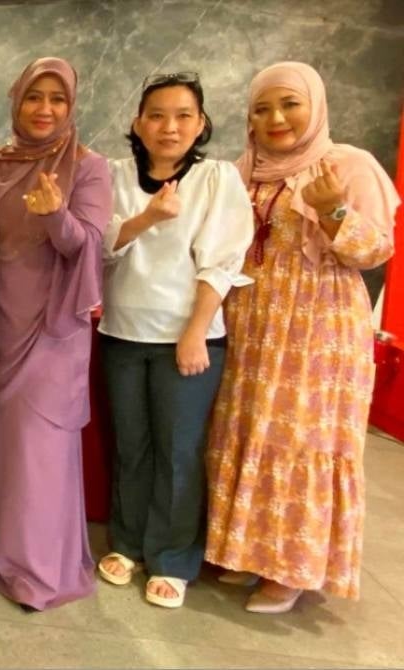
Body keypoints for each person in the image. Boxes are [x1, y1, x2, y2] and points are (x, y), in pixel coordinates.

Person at [205, 61, 399, 613]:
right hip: (250, 321)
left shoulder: (346, 165)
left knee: (299, 440)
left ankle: (291, 567)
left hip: (317, 328)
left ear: (315, 105)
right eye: (262, 108)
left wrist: (332, 209)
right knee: (247, 430)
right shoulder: (245, 169)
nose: (276, 118)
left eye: (290, 104)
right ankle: (245, 551)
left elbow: (374, 252)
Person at [97, 72, 253, 608]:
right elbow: (100, 249)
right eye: (157, 115)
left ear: (201, 123)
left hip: (188, 339)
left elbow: (223, 261)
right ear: (138, 123)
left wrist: (194, 334)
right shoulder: (113, 174)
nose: (169, 126)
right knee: (131, 447)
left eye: (183, 115)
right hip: (121, 332)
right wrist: (146, 217)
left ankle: (172, 558)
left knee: (179, 451)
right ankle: (128, 544)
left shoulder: (217, 178)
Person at [0, 57, 111, 612]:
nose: (45, 109)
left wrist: (56, 216)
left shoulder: (88, 166)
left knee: (38, 451)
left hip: (51, 330)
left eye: (57, 98)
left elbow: (89, 247)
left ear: (71, 106)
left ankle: (38, 571)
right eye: (34, 96)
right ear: (16, 100)